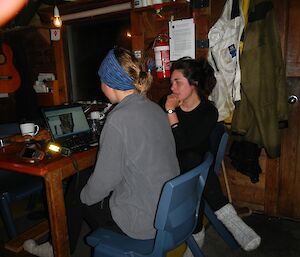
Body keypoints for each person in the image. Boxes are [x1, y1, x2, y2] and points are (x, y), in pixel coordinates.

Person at [23, 47, 180, 257]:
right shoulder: (155, 109)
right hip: (171, 210)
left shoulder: (118, 119)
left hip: (143, 222)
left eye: (101, 79)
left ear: (109, 83)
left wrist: (83, 197)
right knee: (86, 181)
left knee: (79, 192)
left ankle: (57, 248)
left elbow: (104, 182)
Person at [162, 57, 261, 255]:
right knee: (194, 164)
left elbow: (185, 144)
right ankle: (220, 222)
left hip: (194, 168)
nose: (172, 88)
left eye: (177, 82)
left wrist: (171, 113)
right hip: (170, 166)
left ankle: (198, 231)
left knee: (192, 160)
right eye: (171, 82)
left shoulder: (208, 111)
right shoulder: (165, 105)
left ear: (194, 84)